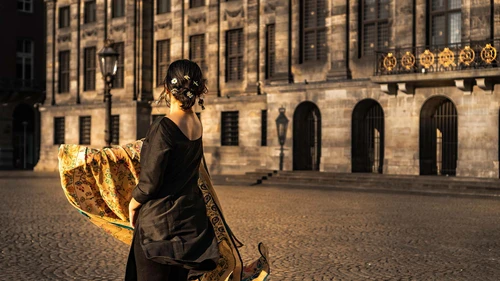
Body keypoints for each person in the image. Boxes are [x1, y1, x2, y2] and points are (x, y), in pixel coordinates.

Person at [125, 59, 219, 281]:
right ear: (197, 90)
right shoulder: (196, 124)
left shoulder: (164, 127)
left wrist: (132, 204)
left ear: (167, 88)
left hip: (159, 228)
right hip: (189, 225)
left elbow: (150, 183)